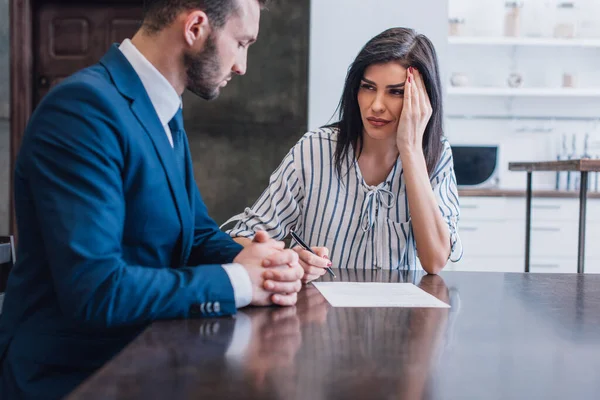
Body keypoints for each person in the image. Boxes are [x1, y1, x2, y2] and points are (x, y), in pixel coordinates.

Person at [0, 0, 304, 398]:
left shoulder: (164, 109)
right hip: (72, 379)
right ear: (195, 28)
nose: (241, 66)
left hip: (144, 363)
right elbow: (97, 291)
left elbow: (194, 235)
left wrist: (264, 263)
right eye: (242, 43)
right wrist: (238, 284)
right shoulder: (81, 111)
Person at [225, 28, 463, 282]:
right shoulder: (315, 148)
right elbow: (243, 237)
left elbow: (435, 260)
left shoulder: (437, 154)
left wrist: (412, 151)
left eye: (396, 92)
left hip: (399, 318)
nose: (376, 105)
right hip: (321, 313)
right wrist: (290, 259)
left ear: (424, 99)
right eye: (368, 87)